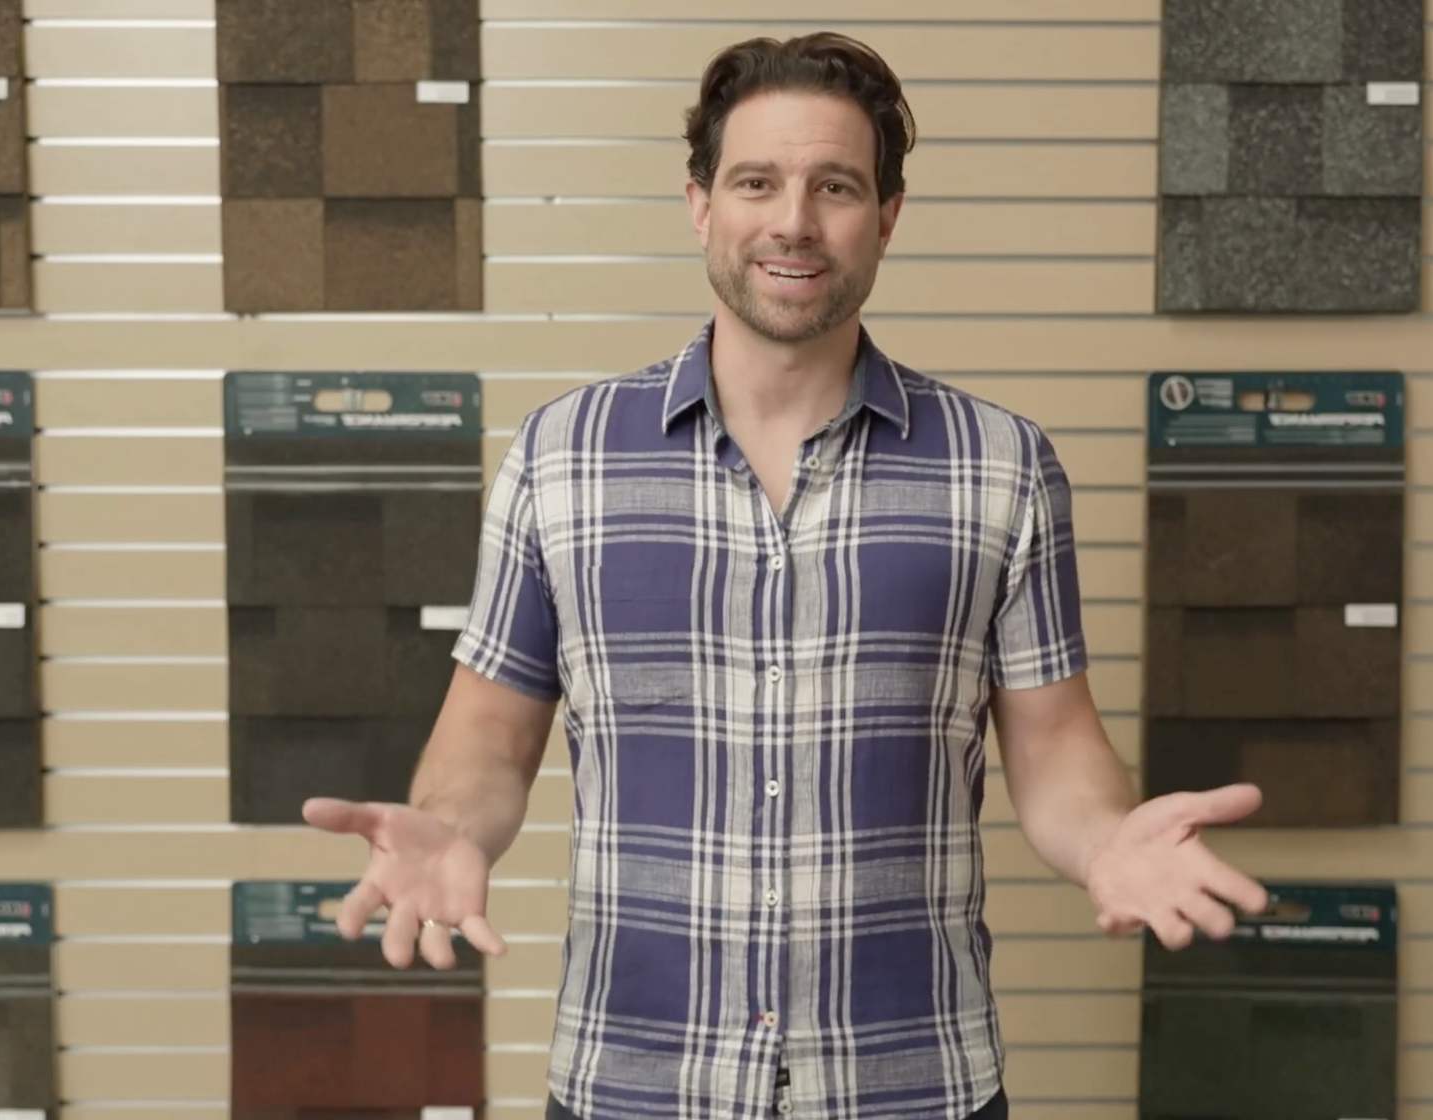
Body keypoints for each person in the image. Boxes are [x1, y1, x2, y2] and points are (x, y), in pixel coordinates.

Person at [304, 30, 1270, 1120]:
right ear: (699, 203)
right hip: (635, 1083)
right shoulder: (559, 457)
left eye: (836, 186)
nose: (793, 221)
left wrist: (1105, 841)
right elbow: (486, 739)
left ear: (886, 216)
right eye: (756, 180)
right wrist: (450, 825)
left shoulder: (1000, 468)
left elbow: (1052, 750)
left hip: (910, 1086)